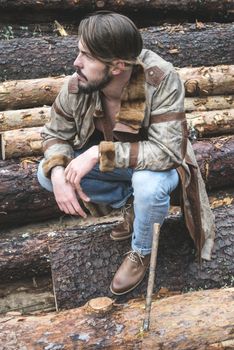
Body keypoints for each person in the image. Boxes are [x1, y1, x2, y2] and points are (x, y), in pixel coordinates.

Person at [37, 11, 215, 295]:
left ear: (117, 66)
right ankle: (132, 204)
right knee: (46, 175)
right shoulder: (80, 83)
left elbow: (167, 152)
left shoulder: (160, 78)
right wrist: (58, 172)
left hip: (160, 166)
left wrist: (97, 152)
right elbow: (55, 134)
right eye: (78, 52)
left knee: (147, 184)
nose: (76, 62)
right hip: (122, 166)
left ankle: (141, 251)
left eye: (86, 56)